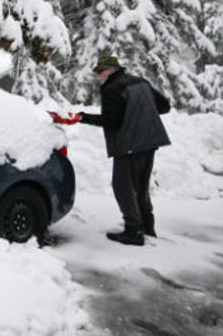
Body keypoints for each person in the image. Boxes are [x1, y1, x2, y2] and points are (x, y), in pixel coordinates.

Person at [50, 54, 171, 246]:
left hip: (130, 144)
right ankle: (148, 227)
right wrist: (140, 112)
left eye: (101, 70)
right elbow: (164, 106)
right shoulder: (140, 82)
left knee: (122, 187)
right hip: (149, 142)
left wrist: (82, 117)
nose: (99, 75)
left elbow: (111, 121)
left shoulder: (112, 88)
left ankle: (134, 232)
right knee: (140, 187)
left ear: (112, 69)